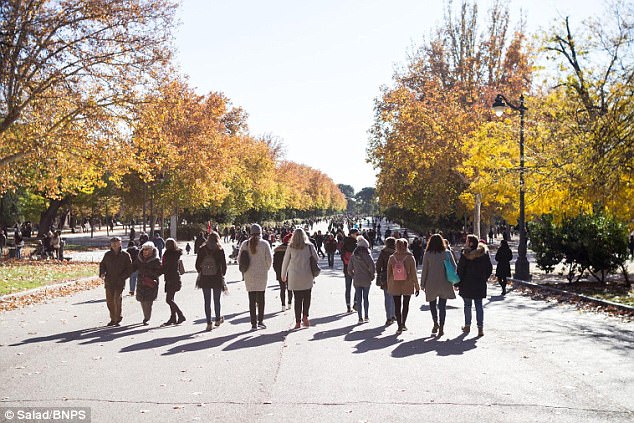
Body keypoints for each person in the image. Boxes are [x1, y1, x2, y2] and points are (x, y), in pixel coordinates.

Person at [281, 228, 319, 329]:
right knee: (307, 297)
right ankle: (305, 316)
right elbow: (317, 258)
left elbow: (285, 262)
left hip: (294, 276)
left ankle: (297, 322)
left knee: (297, 299)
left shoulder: (291, 247)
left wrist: (283, 274)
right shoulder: (310, 246)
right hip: (307, 275)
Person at [420, 234, 457, 337]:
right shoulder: (447, 253)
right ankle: (441, 327)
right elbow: (454, 267)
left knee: (432, 304)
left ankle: (435, 322)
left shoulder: (428, 254)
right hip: (444, 281)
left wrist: (422, 284)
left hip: (431, 282)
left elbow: (425, 270)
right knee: (442, 306)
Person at [457, 234, 493, 337]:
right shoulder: (484, 254)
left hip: (467, 284)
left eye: (467, 241)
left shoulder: (465, 255)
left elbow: (460, 270)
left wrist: (458, 283)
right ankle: (480, 328)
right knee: (479, 306)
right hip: (479, 284)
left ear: (471, 243)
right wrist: (484, 278)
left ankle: (467, 326)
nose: (465, 243)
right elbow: (489, 268)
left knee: (467, 305)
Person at [239, 224, 272, 330]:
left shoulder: (245, 244)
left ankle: (253, 323)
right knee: (261, 298)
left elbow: (239, 259)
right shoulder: (264, 244)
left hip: (249, 274)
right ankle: (261, 321)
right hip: (262, 274)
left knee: (251, 299)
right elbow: (269, 259)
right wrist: (266, 268)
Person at [195, 231, 227, 331]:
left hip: (205, 278)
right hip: (216, 277)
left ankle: (209, 322)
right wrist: (222, 274)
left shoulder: (202, 249)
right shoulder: (220, 250)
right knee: (217, 300)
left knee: (207, 301)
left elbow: (197, 265)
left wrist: (202, 271)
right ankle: (217, 319)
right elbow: (224, 266)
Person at [387, 238, 420, 334]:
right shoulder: (410, 257)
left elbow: (389, 273)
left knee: (397, 305)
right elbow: (414, 274)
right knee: (406, 305)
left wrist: (389, 285)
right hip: (407, 284)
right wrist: (417, 287)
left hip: (394, 284)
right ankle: (403, 323)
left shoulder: (392, 258)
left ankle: (399, 326)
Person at [99, 237, 132, 326]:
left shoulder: (125, 255)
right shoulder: (107, 255)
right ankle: (113, 319)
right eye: (113, 243)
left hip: (119, 281)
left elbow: (129, 269)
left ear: (120, 243)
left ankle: (118, 318)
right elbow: (102, 265)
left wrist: (123, 277)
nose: (114, 244)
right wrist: (102, 273)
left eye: (116, 243)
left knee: (117, 299)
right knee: (109, 301)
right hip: (109, 281)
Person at [133, 241, 163, 325]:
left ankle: (147, 318)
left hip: (150, 283)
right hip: (141, 282)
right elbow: (133, 267)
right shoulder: (139, 259)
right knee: (142, 300)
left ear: (152, 250)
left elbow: (160, 271)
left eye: (147, 250)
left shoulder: (156, 260)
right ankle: (145, 315)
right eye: (144, 249)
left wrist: (150, 273)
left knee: (148, 301)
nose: (145, 251)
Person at [348, 236, 376, 324]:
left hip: (357, 279)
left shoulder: (354, 255)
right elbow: (372, 267)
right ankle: (366, 316)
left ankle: (360, 317)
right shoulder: (368, 255)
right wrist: (371, 276)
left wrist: (353, 275)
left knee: (359, 299)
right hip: (366, 279)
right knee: (366, 298)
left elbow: (349, 269)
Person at [161, 238, 185, 326]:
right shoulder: (176, 254)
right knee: (171, 298)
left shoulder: (168, 254)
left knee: (169, 299)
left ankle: (180, 314)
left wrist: (158, 271)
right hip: (175, 277)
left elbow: (165, 267)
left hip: (170, 278)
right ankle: (173, 317)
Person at [375, 237, 397, 326]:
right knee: (395, 297)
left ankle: (388, 317)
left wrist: (379, 273)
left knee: (387, 297)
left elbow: (378, 264)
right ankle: (394, 314)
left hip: (385, 276)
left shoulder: (383, 252)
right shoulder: (397, 253)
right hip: (397, 276)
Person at [273, 233, 293, 310]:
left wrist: (277, 271)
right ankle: (289, 303)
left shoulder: (277, 250)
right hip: (290, 271)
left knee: (282, 288)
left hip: (280, 271)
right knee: (290, 288)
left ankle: (283, 305)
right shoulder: (291, 249)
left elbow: (274, 263)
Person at [341, 228, 359, 313]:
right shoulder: (356, 244)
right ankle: (355, 303)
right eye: (356, 234)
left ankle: (348, 306)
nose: (357, 235)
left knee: (347, 288)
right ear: (352, 234)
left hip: (347, 267)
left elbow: (342, 256)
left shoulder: (344, 243)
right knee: (357, 286)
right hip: (356, 268)